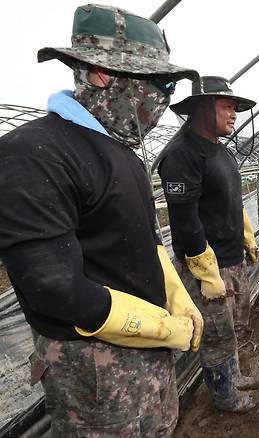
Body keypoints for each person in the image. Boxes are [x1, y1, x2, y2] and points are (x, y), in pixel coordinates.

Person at [0, 5, 202, 435]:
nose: (163, 99)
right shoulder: (34, 153)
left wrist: (175, 295)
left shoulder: (119, 152)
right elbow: (54, 288)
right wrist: (159, 326)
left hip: (147, 357)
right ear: (102, 76)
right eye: (159, 84)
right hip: (95, 370)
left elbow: (142, 237)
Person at [157, 76, 259, 412]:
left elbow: (232, 200)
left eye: (235, 108)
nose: (234, 114)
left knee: (233, 327)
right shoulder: (182, 154)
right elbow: (186, 223)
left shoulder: (222, 150)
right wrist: (206, 274)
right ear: (203, 108)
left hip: (231, 258)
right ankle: (224, 395)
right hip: (208, 266)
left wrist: (245, 236)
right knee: (217, 333)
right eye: (227, 107)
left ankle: (233, 375)